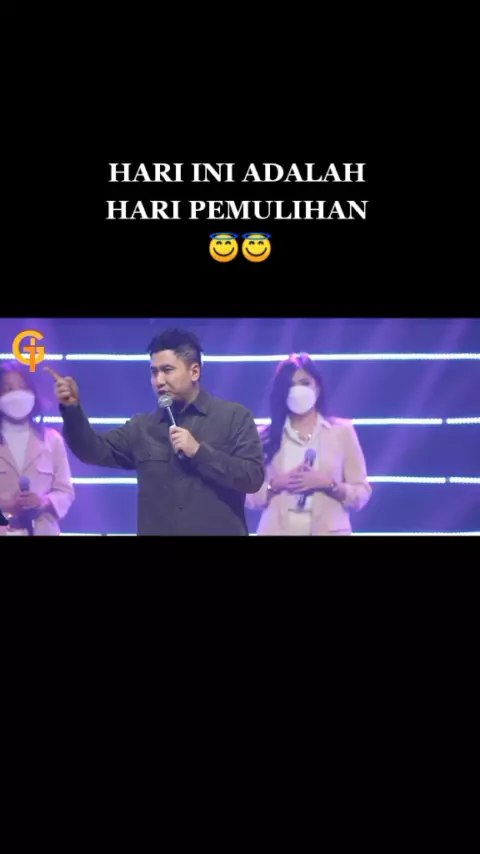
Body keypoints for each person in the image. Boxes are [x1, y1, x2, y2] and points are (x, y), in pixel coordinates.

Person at [46, 328, 265, 535]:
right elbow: (93, 450)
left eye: (167, 370)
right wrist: (71, 409)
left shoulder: (233, 417)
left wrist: (199, 452)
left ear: (194, 371)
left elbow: (252, 477)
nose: (159, 381)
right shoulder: (142, 428)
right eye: (154, 372)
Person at [246, 353, 372, 535]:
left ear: (317, 387)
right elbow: (248, 496)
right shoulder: (264, 436)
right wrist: (275, 485)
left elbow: (361, 493)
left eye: (304, 383)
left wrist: (330, 484)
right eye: (291, 385)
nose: (297, 391)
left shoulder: (342, 431)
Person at [0, 361, 75, 535]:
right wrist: (6, 504)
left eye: (23, 387)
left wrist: (43, 501)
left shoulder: (53, 440)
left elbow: (65, 492)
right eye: (9, 389)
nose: (17, 395)